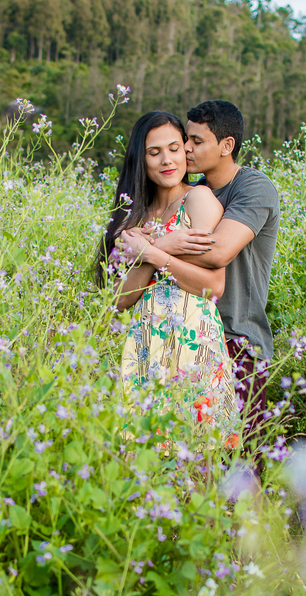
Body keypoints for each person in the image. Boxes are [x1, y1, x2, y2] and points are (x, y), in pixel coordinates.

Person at [94, 111, 240, 439]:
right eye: (154, 152)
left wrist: (151, 252)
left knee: (195, 453)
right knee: (141, 454)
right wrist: (159, 248)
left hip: (191, 343)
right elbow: (119, 300)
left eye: (174, 149)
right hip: (144, 347)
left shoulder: (197, 199)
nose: (167, 160)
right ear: (141, 159)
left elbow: (213, 285)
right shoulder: (134, 217)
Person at [144, 100, 280, 445]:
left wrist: (154, 246)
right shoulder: (190, 192)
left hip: (237, 339)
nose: (186, 149)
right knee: (192, 455)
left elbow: (218, 251)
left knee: (241, 459)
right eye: (185, 140)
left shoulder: (253, 187)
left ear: (226, 145)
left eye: (197, 141)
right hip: (188, 339)